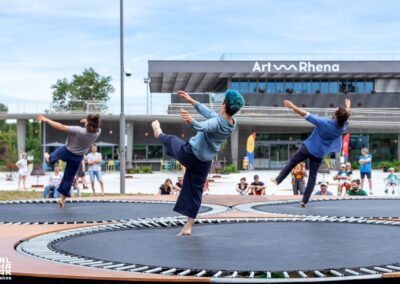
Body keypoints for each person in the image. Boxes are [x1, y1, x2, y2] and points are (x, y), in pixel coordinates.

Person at [151, 89, 244, 236]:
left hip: (190, 154)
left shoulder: (216, 123)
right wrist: (190, 100)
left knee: (171, 140)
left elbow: (203, 126)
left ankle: (159, 133)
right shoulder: (231, 122)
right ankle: (188, 226)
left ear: (224, 105)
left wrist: (190, 121)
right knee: (195, 191)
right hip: (205, 161)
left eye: (222, 102)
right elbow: (208, 113)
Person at [271, 99, 351, 207]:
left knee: (292, 163)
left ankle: (278, 179)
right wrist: (348, 106)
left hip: (308, 148)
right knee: (312, 177)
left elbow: (306, 115)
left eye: (335, 111)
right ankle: (304, 201)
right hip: (319, 153)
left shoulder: (324, 123)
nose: (333, 111)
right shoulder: (342, 127)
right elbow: (345, 116)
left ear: (336, 116)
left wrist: (292, 106)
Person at [37, 114, 101, 208]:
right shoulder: (97, 132)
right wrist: (87, 122)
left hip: (67, 151)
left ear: (88, 124)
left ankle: (48, 157)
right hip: (78, 157)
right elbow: (94, 126)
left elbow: (60, 127)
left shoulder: (79, 130)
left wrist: (47, 120)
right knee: (69, 178)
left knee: (51, 158)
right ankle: (62, 200)